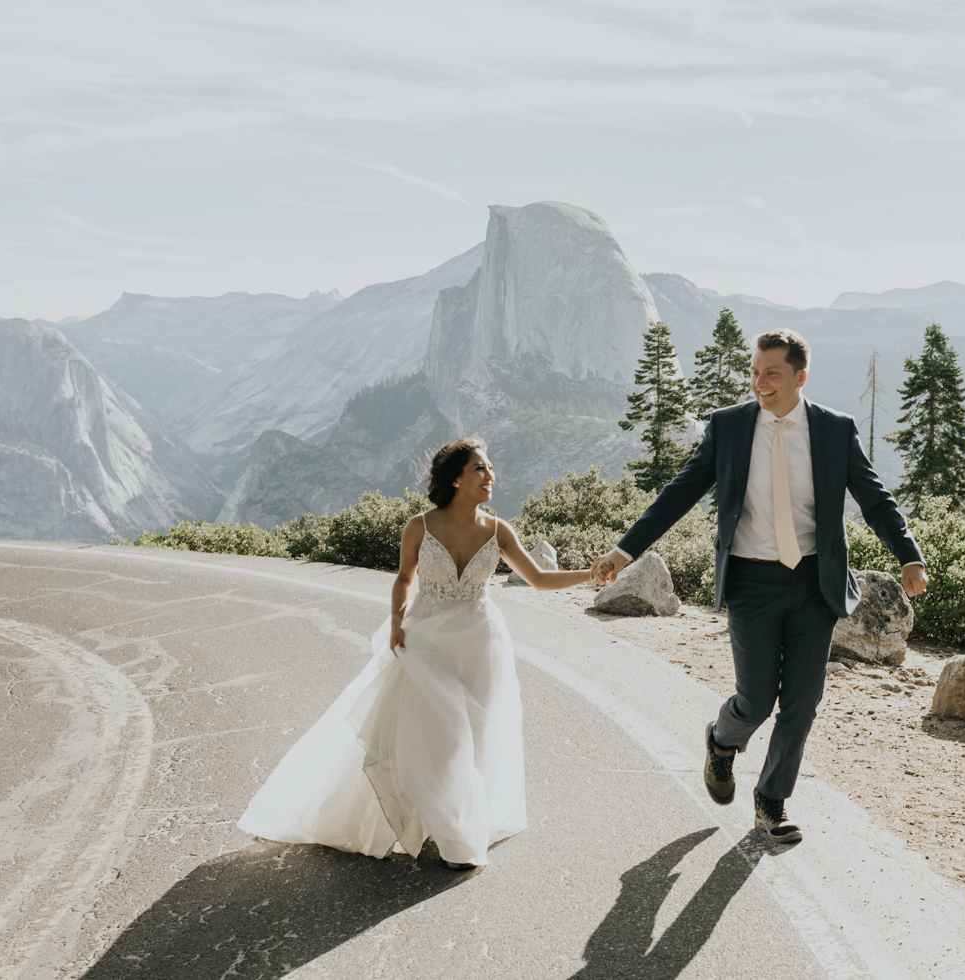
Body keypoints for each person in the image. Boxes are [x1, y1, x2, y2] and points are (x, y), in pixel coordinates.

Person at [593, 329, 928, 844]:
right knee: (755, 700)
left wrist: (908, 554)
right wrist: (624, 549)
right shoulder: (729, 427)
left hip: (816, 582)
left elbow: (875, 497)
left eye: (771, 372)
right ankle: (723, 742)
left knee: (802, 699)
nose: (759, 382)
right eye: (754, 372)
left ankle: (771, 799)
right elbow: (680, 491)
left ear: (800, 376)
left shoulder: (834, 429)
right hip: (751, 581)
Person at [237, 438, 596, 869]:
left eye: (489, 467)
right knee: (440, 737)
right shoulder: (419, 527)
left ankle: (455, 822)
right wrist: (394, 621)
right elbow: (405, 579)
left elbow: (539, 579)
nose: (490, 476)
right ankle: (457, 841)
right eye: (480, 468)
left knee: (474, 736)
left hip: (480, 643)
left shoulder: (499, 530)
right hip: (425, 641)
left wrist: (592, 575)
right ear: (457, 479)